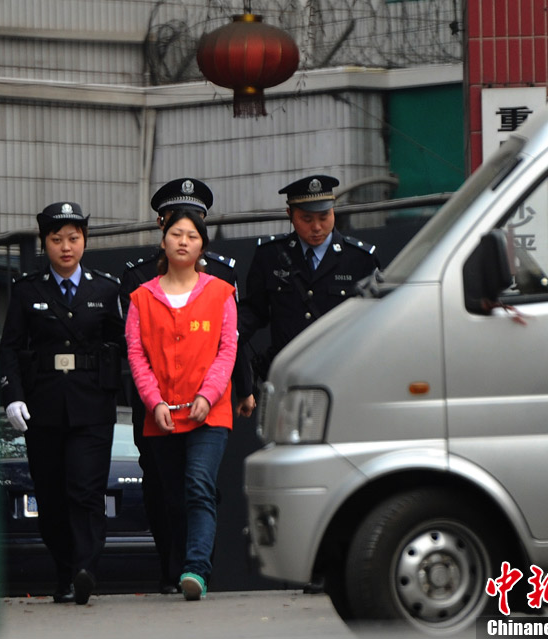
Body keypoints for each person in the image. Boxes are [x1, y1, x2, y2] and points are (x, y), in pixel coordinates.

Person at [119, 177, 253, 594]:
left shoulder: (221, 289)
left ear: (202, 243)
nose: (183, 240)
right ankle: (174, 569)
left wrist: (217, 393)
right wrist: (152, 401)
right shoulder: (141, 293)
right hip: (160, 411)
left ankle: (195, 569)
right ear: (162, 235)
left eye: (192, 234)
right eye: (175, 232)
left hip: (208, 409)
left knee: (199, 484)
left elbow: (229, 349)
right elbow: (136, 355)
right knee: (170, 495)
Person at [0, 201, 124, 605]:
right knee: (51, 495)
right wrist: (12, 397)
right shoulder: (27, 290)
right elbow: (10, 349)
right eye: (57, 240)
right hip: (44, 405)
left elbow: (123, 347)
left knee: (85, 491)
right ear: (44, 243)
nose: (66, 247)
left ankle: (86, 568)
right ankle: (65, 572)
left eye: (74, 238)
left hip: (91, 406)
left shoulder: (106, 289)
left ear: (85, 240)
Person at [238, 174, 380, 385]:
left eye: (324, 217)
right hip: (288, 374)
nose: (316, 227)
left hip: (341, 374)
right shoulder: (271, 256)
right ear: (290, 215)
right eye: (307, 219)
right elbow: (253, 311)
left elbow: (375, 320)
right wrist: (225, 336)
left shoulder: (359, 259)